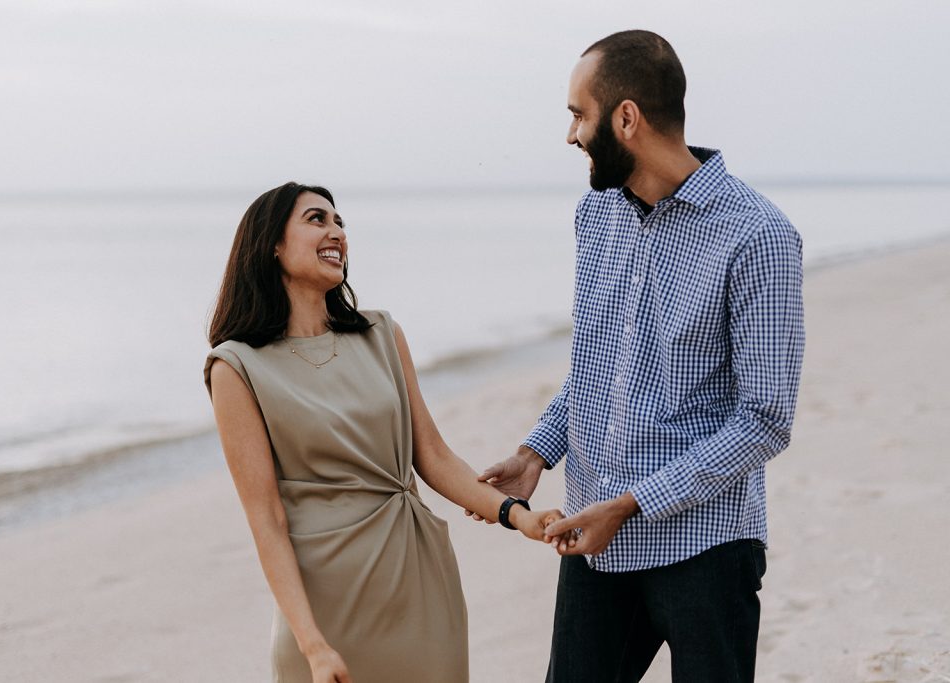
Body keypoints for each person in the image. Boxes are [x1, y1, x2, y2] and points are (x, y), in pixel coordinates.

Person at [474, 30, 805, 681]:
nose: (570, 134)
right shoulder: (594, 215)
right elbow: (599, 365)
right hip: (594, 544)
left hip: (706, 548)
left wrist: (630, 503)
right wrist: (537, 451)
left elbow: (766, 418)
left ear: (626, 117)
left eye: (578, 113)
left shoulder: (758, 236)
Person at [203, 182, 564, 683]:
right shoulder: (236, 367)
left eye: (339, 221)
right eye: (316, 220)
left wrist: (518, 517)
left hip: (416, 583)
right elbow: (267, 521)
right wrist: (313, 647)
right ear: (273, 245)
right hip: (324, 606)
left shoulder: (382, 334)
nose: (336, 232)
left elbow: (434, 457)